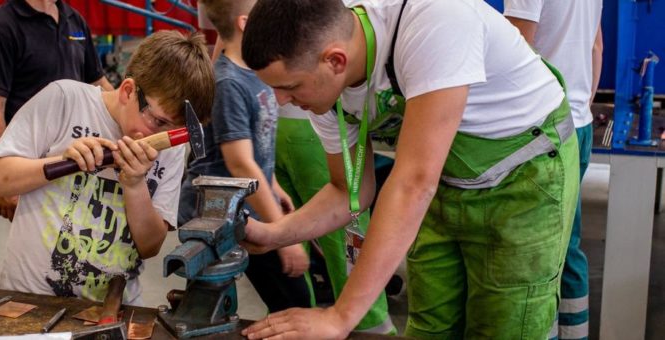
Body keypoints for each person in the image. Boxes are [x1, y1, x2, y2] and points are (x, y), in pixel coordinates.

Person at [238, 0, 580, 339]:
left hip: (524, 178)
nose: (280, 101)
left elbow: (414, 184)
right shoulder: (325, 89)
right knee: (431, 326)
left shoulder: (435, 21)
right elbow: (348, 191)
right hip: (444, 177)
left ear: (335, 60)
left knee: (503, 325)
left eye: (289, 87)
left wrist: (339, 317)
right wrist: (275, 234)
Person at [0, 30, 215, 305]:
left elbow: (150, 246)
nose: (163, 137)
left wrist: (135, 185)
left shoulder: (169, 147)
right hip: (31, 300)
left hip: (112, 307)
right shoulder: (64, 100)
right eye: (158, 122)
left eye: (176, 131)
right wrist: (60, 162)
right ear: (128, 91)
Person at [177, 0, 312, 312]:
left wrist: (273, 184)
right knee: (292, 303)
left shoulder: (255, 73)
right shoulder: (229, 83)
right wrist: (285, 237)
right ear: (245, 23)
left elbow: (257, 143)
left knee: (288, 300)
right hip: (216, 215)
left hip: (245, 204)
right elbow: (239, 163)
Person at [504, 1, 603, 339]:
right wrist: (581, 107)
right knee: (566, 243)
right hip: (578, 124)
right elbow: (596, 46)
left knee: (537, 252)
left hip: (543, 128)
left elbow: (514, 51)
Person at [0, 0, 114, 222]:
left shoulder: (73, 19)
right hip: (29, 162)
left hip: (76, 156)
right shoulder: (1, 27)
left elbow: (98, 82)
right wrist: (5, 185)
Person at [274, 104, 395, 333]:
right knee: (346, 234)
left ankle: (296, 328)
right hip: (313, 127)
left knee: (302, 238)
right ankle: (370, 325)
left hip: (285, 127)